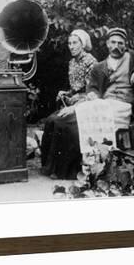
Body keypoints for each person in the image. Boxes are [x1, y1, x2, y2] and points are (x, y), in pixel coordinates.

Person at [42, 27, 134, 179]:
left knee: (75, 116)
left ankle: (67, 169)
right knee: (61, 120)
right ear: (107, 44)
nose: (116, 46)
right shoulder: (100, 66)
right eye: (113, 42)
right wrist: (92, 93)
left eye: (120, 43)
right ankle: (54, 168)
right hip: (105, 103)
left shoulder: (133, 58)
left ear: (125, 44)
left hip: (124, 106)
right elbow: (94, 88)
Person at [40, 29, 97, 173]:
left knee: (60, 123)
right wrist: (66, 93)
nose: (71, 46)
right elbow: (74, 88)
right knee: (50, 121)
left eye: (75, 43)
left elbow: (92, 93)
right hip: (74, 103)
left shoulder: (91, 62)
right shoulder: (72, 62)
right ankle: (49, 167)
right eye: (69, 43)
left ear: (82, 44)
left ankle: (63, 171)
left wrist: (78, 101)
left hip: (86, 105)